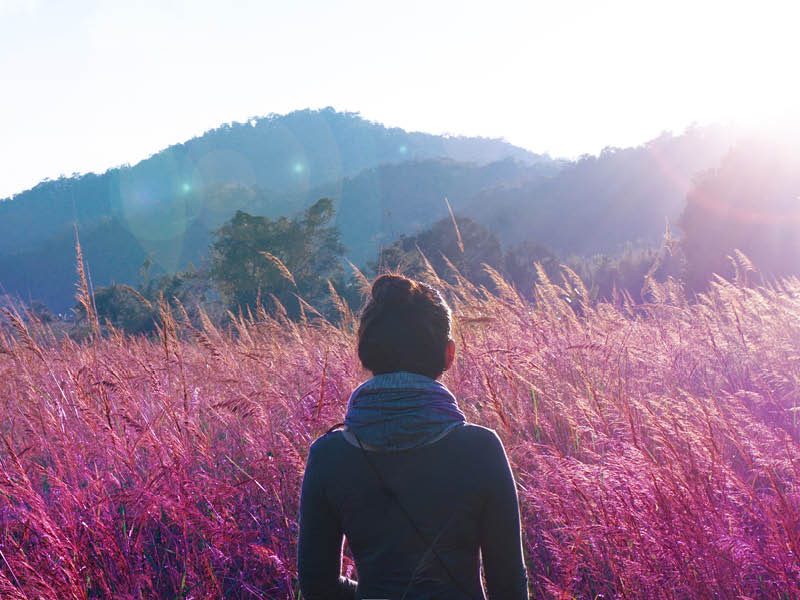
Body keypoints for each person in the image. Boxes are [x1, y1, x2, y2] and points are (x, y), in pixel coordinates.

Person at [297, 273, 529, 599]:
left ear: (364, 353)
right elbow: (509, 587)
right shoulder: (481, 450)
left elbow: (316, 587)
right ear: (449, 354)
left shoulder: (328, 456)